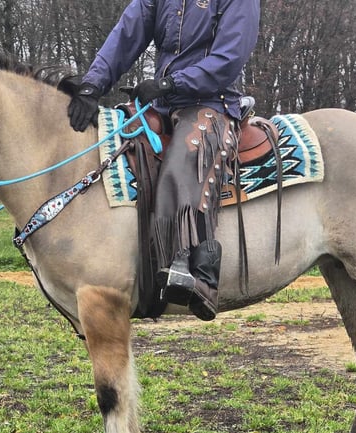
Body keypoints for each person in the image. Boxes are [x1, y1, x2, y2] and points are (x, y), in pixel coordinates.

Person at [68, 0, 261, 320]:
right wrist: (92, 86)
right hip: (161, 102)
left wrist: (171, 83)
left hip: (212, 101)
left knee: (186, 156)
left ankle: (200, 273)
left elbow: (229, 58)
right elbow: (127, 34)